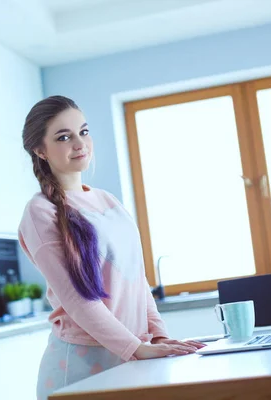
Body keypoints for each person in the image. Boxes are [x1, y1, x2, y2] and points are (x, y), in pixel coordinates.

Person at [18, 95, 206, 399]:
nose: (79, 143)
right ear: (40, 150)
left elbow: (137, 279)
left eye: (84, 131)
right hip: (81, 366)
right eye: (63, 137)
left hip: (132, 357)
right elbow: (78, 299)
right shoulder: (40, 212)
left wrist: (158, 337)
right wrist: (137, 348)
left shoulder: (108, 202)